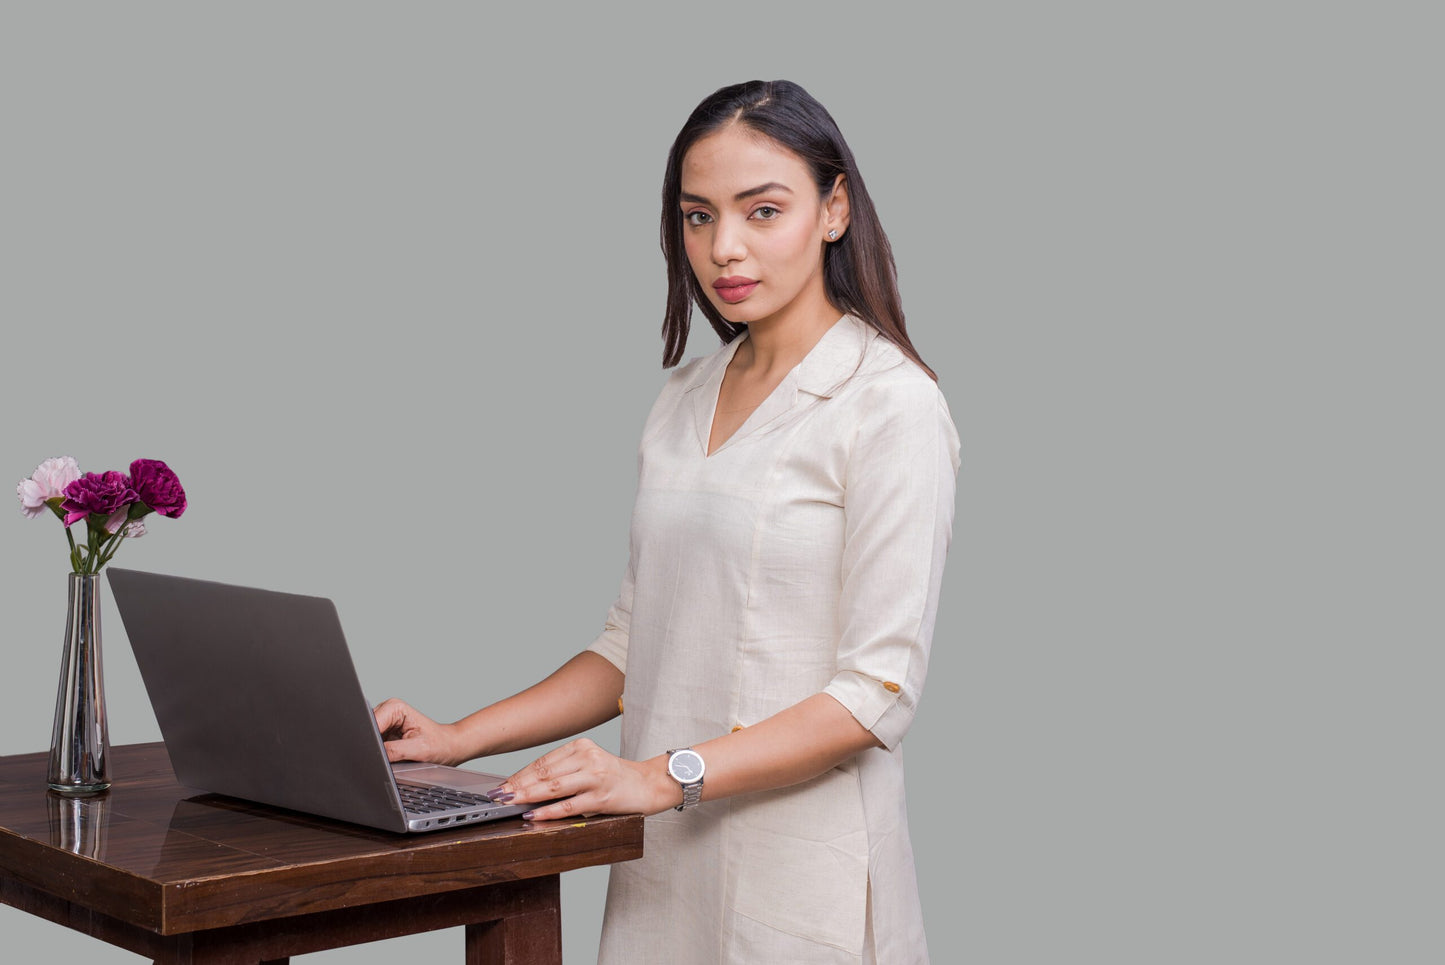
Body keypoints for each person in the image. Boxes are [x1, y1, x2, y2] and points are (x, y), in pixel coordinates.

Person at [374, 79, 960, 964]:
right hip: (664, 866)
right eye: (697, 216)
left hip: (801, 875)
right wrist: (458, 738)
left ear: (835, 208)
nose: (723, 247)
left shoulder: (890, 406)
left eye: (763, 211)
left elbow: (874, 693)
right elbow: (633, 643)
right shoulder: (683, 398)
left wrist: (659, 775)